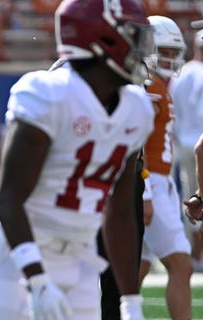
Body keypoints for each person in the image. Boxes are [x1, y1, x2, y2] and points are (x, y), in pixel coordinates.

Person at [0, 0, 155, 319]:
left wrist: (131, 300)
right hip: (18, 252)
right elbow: (9, 197)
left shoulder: (137, 107)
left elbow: (122, 211)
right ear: (104, 40)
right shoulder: (49, 93)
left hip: (79, 255)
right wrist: (38, 279)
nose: (141, 48)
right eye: (134, 35)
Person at [136, 15, 193, 319]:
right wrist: (144, 191)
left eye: (174, 52)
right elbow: (137, 143)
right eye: (165, 51)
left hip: (158, 181)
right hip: (150, 181)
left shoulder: (157, 84)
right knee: (181, 264)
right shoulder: (147, 86)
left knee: (139, 267)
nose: (170, 58)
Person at [170, 29, 203, 272]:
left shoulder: (181, 73)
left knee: (190, 198)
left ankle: (194, 252)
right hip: (199, 141)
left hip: (181, 142)